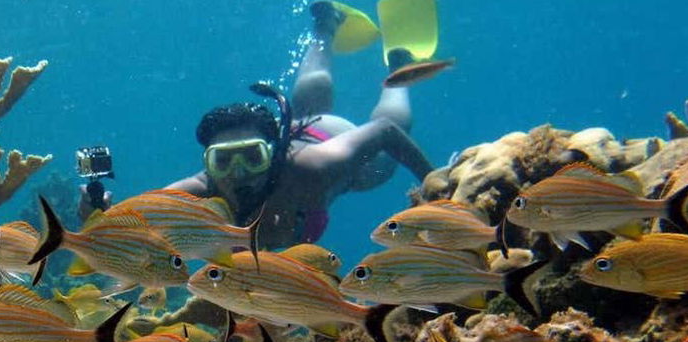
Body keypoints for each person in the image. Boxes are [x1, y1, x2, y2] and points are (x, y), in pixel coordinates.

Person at [80, 0, 438, 250]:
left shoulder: (318, 167)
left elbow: (385, 135)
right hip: (296, 127)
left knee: (390, 128)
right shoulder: (201, 191)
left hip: (329, 136)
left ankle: (400, 67)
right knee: (311, 93)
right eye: (224, 161)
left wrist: (437, 188)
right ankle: (325, 22)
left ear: (275, 154)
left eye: (252, 157)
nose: (238, 173)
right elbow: (136, 215)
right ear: (208, 166)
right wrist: (99, 216)